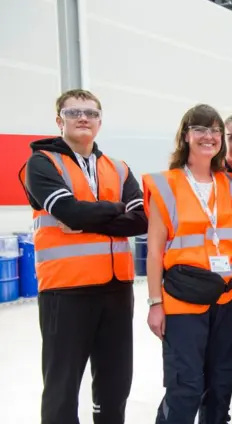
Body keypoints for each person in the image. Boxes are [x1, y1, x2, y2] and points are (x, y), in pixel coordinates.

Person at [18, 89, 147, 424]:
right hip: (66, 290)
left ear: (100, 121)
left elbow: (140, 219)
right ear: (59, 120)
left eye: (90, 113)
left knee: (115, 385)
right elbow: (68, 212)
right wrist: (114, 209)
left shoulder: (118, 168)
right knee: (62, 387)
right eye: (74, 112)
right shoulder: (42, 163)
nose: (83, 118)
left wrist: (90, 215)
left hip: (117, 291)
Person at [143, 104, 232, 424]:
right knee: (185, 387)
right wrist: (155, 303)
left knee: (220, 383)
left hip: (225, 300)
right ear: (186, 135)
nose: (208, 137)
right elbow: (154, 252)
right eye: (200, 129)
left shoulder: (229, 184)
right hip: (182, 301)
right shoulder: (166, 184)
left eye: (215, 130)